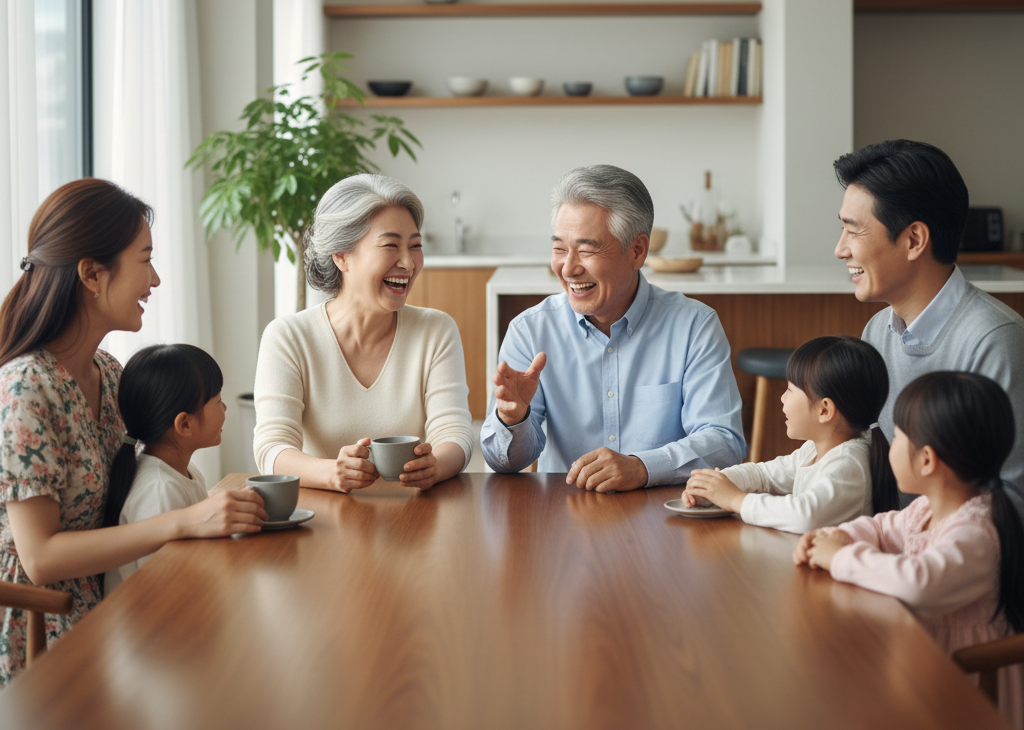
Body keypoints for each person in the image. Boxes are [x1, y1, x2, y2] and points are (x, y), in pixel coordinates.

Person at [0, 180, 266, 685]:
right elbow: (40, 559)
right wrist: (185, 521)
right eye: (146, 260)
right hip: (46, 630)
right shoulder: (26, 388)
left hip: (118, 602)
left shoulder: (109, 372)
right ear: (92, 274)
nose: (156, 278)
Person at [480, 164, 745, 491]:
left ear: (637, 251)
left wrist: (641, 467)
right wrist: (512, 420)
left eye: (586, 250)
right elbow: (503, 462)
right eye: (559, 249)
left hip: (666, 512)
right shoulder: (530, 331)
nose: (568, 268)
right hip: (565, 513)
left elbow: (725, 443)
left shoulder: (695, 327)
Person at [794, 372, 1024, 730]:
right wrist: (838, 535)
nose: (890, 444)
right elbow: (880, 528)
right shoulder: (927, 509)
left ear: (927, 460)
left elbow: (919, 583)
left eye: (898, 436)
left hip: (968, 689)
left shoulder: (977, 533)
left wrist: (839, 557)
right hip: (924, 663)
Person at [834, 140, 1024, 515]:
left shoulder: (996, 342)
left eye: (853, 231)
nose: (840, 249)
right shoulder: (877, 332)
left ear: (914, 240)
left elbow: (1012, 503)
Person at [253, 174, 475, 492]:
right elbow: (272, 448)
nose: (408, 263)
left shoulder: (436, 330)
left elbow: (455, 433)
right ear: (341, 255)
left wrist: (436, 466)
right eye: (390, 245)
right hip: (322, 516)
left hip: (415, 513)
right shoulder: (289, 337)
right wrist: (332, 473)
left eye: (415, 246)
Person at [682, 335, 900, 532]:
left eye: (789, 389)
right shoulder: (814, 449)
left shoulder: (849, 463)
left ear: (824, 410)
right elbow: (764, 475)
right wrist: (715, 485)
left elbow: (805, 515)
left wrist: (734, 499)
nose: (782, 398)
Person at [103, 344, 229, 594]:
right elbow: (165, 589)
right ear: (185, 424)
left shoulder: (183, 472)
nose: (225, 408)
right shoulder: (160, 491)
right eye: (218, 401)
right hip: (154, 615)